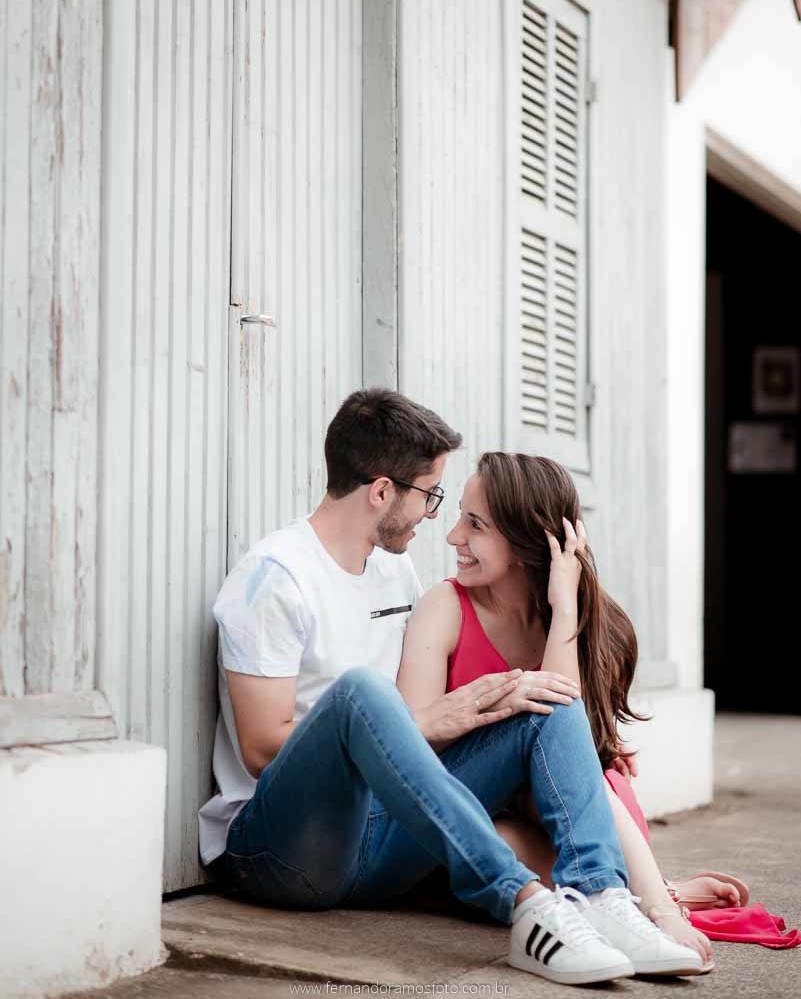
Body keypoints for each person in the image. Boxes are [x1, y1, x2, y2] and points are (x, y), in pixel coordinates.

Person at [198, 389, 706, 986]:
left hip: (381, 839)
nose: (435, 518)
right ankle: (528, 906)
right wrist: (431, 722)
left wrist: (499, 705)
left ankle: (600, 897)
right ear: (383, 491)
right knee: (362, 694)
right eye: (429, 495)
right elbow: (261, 750)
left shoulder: (395, 569)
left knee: (541, 696)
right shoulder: (275, 579)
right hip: (283, 851)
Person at [396, 451, 724, 971]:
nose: (454, 535)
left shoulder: (589, 618)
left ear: (529, 543)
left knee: (579, 762)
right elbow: (407, 749)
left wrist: (564, 606)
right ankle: (648, 894)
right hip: (473, 803)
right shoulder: (445, 606)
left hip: (564, 807)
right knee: (500, 841)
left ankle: (647, 906)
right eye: (459, 515)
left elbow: (565, 727)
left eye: (474, 524)